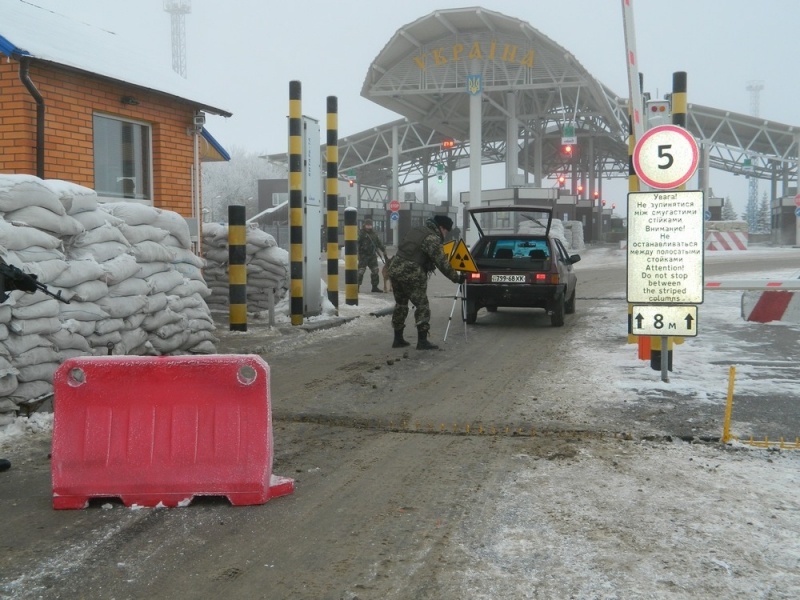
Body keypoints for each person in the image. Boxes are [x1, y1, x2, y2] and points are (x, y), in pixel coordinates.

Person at [388, 215, 464, 350]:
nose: (445, 234)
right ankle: (422, 341)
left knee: (401, 304)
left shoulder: (417, 230)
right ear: (441, 227)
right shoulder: (432, 238)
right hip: (411, 272)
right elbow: (442, 263)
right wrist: (456, 278)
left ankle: (397, 339)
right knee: (422, 305)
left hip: (395, 269)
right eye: (446, 230)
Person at [358, 218, 388, 293]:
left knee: (375, 271)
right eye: (367, 225)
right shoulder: (361, 234)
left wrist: (384, 250)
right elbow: (356, 244)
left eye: (370, 225)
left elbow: (379, 243)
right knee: (360, 272)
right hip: (363, 256)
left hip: (372, 256)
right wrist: (357, 253)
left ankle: (375, 287)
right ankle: (357, 287)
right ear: (364, 225)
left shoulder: (374, 234)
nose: (369, 227)